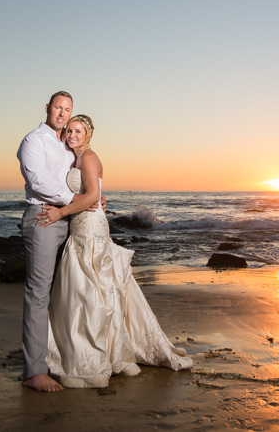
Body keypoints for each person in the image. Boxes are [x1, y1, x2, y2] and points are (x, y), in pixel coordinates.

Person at [35, 114, 193, 388]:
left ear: (88, 135)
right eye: (70, 130)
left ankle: (103, 352)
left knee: (92, 286)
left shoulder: (89, 157)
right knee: (90, 286)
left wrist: (59, 213)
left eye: (78, 131)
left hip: (90, 226)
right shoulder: (75, 158)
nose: (72, 134)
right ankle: (106, 348)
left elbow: (93, 195)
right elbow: (89, 192)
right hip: (82, 222)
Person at [16, 91, 97, 392]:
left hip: (68, 217)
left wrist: (93, 196)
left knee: (64, 292)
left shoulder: (69, 144)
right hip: (42, 218)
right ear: (47, 108)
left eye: (68, 109)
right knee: (38, 293)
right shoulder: (33, 141)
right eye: (58, 108)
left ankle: (55, 358)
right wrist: (75, 199)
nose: (62, 114)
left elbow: (83, 175)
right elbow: (38, 181)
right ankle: (33, 372)